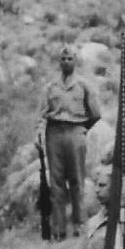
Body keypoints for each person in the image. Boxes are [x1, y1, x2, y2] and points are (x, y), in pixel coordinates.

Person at [38, 44, 102, 239]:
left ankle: (79, 225)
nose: (66, 62)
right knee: (56, 182)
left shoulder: (84, 85)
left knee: (77, 180)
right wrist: (39, 135)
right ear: (59, 62)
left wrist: (81, 130)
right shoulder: (50, 87)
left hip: (76, 132)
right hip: (54, 134)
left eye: (70, 59)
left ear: (76, 61)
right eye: (63, 59)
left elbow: (96, 114)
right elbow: (42, 114)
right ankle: (58, 230)